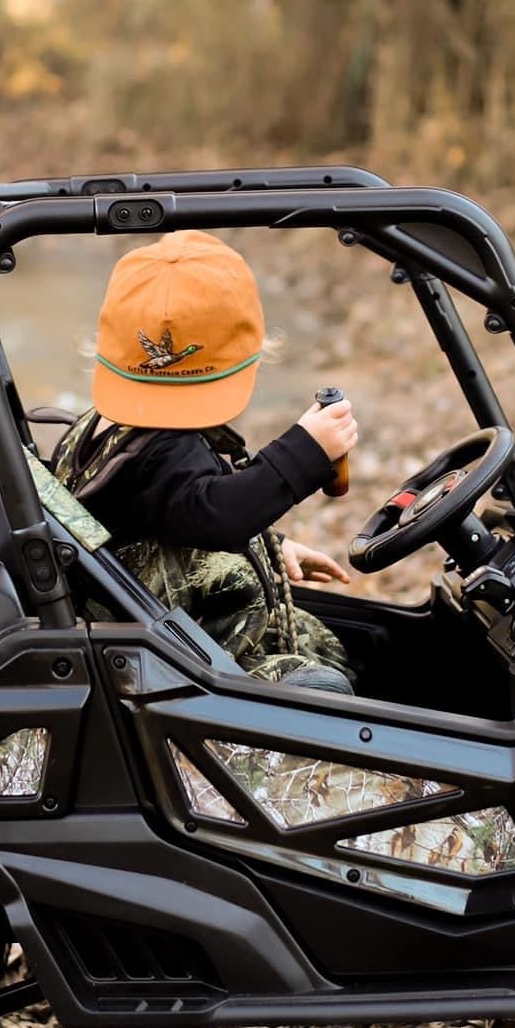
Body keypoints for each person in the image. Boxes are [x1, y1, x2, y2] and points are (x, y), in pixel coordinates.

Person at [53, 230, 358, 689]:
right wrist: (306, 451)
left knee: (344, 644)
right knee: (328, 682)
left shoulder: (108, 430)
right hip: (188, 663)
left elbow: (174, 514)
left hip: (173, 626)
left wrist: (269, 546)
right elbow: (213, 513)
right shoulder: (161, 449)